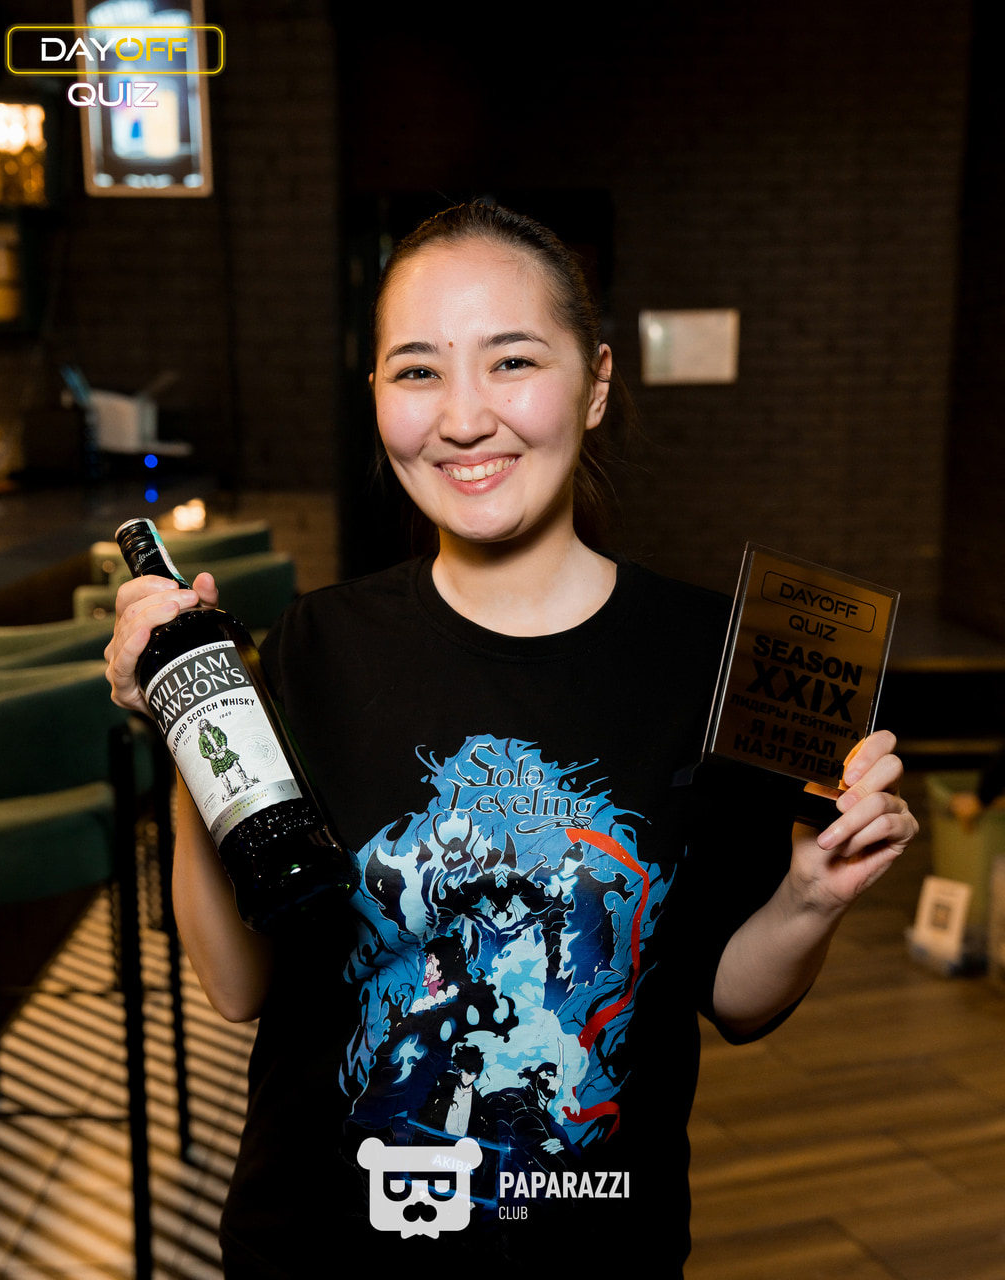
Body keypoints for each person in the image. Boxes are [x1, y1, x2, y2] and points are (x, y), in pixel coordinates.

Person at [105, 201, 917, 1277]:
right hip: (318, 1247)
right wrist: (188, 725)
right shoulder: (316, 644)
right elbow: (239, 984)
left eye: (513, 360)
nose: (463, 417)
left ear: (596, 381)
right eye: (418, 371)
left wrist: (813, 893)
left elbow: (731, 993)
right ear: (376, 396)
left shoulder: (714, 658)